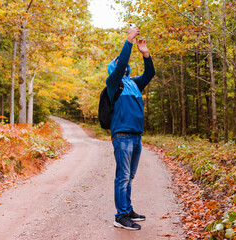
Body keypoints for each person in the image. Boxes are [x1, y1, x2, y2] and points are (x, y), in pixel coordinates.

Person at [106, 25, 155, 230]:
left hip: (136, 136)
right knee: (123, 176)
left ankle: (128, 208)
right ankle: (121, 216)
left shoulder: (134, 83)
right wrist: (128, 40)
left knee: (130, 177)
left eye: (124, 64)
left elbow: (150, 74)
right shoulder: (112, 83)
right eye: (119, 63)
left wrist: (146, 54)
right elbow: (121, 63)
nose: (123, 65)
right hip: (122, 136)